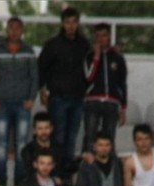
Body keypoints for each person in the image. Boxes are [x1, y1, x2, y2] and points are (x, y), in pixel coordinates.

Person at [0, 16, 39, 186]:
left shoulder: (29, 51)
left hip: (23, 105)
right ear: (6, 30)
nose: (14, 31)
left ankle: (20, 180)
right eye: (11, 28)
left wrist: (31, 98)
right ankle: (1, 179)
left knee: (22, 144)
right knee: (1, 143)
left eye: (18, 28)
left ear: (22, 31)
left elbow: (34, 77)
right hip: (1, 105)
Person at [39, 6, 90, 176]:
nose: (71, 26)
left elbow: (91, 69)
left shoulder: (84, 45)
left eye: (74, 22)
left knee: (71, 138)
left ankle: (66, 175)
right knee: (58, 138)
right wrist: (42, 90)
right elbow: (42, 69)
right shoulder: (52, 45)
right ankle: (56, 173)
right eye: (67, 22)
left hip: (78, 97)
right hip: (58, 97)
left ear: (78, 23)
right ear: (62, 23)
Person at [82, 22, 127, 151]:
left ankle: (110, 168)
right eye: (98, 36)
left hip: (112, 102)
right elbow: (88, 77)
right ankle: (87, 168)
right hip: (93, 101)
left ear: (109, 37)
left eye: (104, 35)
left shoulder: (117, 57)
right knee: (90, 136)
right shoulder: (89, 56)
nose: (101, 39)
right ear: (94, 38)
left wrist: (123, 108)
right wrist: (96, 57)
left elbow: (122, 83)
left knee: (109, 137)